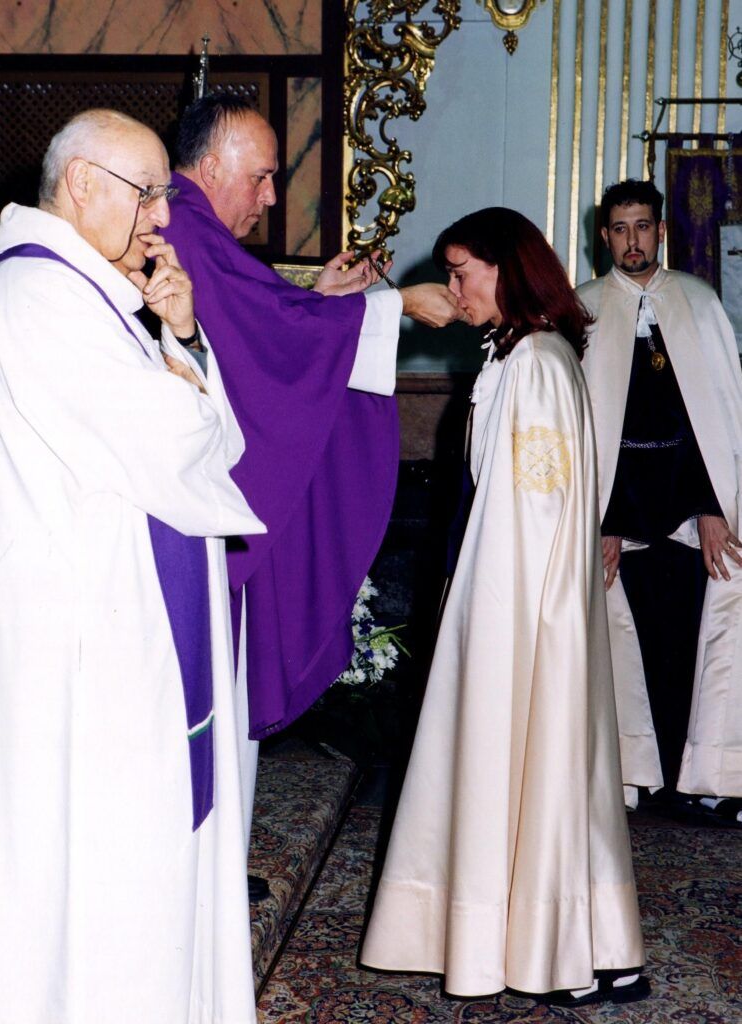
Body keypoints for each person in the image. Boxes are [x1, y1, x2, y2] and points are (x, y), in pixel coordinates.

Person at [0, 109, 266, 1024]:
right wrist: (179, 377)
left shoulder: (90, 292)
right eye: (147, 192)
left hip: (121, 617)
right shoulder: (39, 297)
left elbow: (201, 438)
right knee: (107, 865)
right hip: (90, 638)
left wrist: (180, 336)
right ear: (81, 184)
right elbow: (178, 441)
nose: (161, 214)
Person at [360, 208, 647, 1007]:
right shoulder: (521, 355)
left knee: (532, 767)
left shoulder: (535, 363)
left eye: (461, 273)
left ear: (506, 270)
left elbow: (535, 518)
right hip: (515, 603)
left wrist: (496, 619)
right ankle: (593, 949)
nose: (452, 289)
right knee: (542, 775)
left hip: (521, 614)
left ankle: (557, 955)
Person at [164, 96, 461, 845]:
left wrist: (323, 300)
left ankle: (218, 865)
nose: (270, 197)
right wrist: (394, 306)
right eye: (261, 177)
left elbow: (252, 326)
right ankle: (207, 867)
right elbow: (261, 334)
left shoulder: (195, 228)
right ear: (210, 167)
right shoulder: (184, 224)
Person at [578, 180, 742, 821]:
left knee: (699, 636)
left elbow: (718, 421)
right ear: (605, 237)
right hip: (617, 511)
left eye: (643, 226)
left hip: (691, 507)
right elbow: (585, 430)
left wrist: (713, 506)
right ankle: (630, 775)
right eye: (620, 229)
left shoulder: (699, 303)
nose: (633, 241)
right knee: (619, 637)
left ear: (662, 231)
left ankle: (704, 776)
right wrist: (603, 520)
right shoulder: (583, 309)